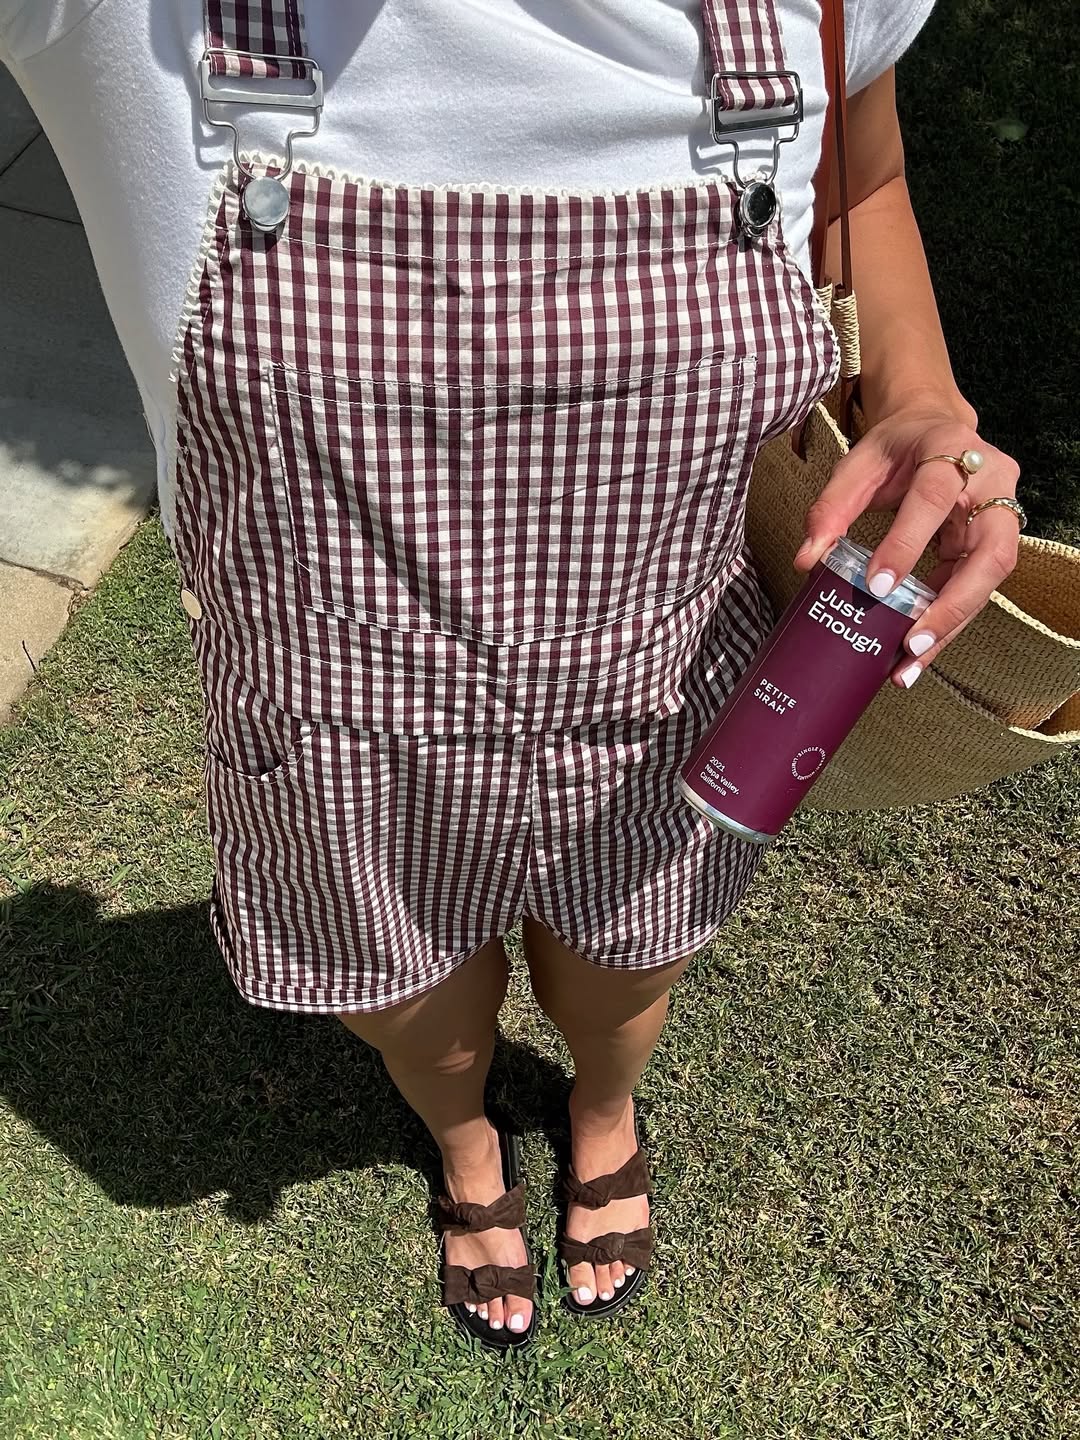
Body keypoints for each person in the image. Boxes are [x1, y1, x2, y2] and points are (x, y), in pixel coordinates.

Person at [0, 1, 1022, 1351]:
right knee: (420, 1026)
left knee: (623, 984)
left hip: (668, 691)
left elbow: (860, 188)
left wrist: (923, 395)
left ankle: (602, 1104)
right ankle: (466, 1141)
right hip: (343, 731)